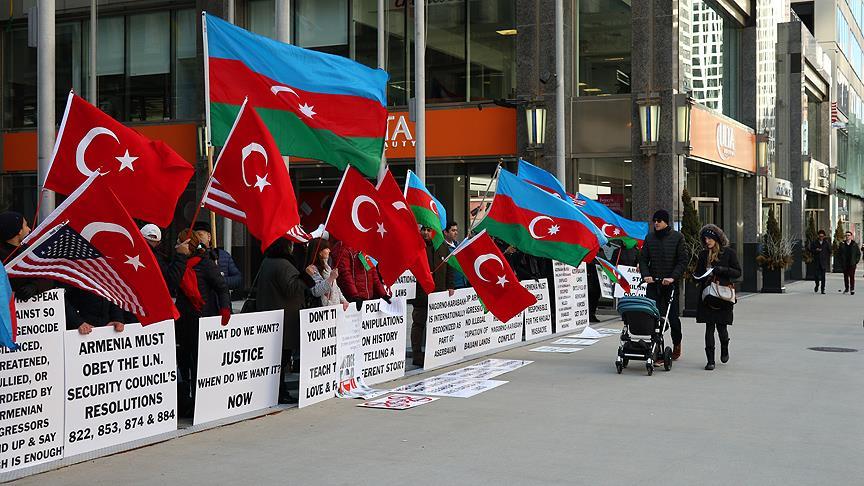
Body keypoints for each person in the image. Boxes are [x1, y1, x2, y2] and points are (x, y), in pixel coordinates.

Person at [174, 229, 231, 415]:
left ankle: (200, 404)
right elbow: (170, 282)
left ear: (188, 244)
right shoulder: (178, 262)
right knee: (183, 362)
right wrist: (180, 259)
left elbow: (222, 287)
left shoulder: (205, 264)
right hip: (182, 321)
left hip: (201, 319)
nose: (176, 245)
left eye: (179, 242)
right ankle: (185, 402)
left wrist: (225, 309)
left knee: (198, 364)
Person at [256, 237, 310, 404]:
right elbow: (291, 289)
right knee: (281, 358)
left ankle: (278, 390)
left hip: (273, 314)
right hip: (284, 318)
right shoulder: (283, 264)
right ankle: (279, 392)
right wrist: (306, 276)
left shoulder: (267, 261)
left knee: (276, 359)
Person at [638, 209, 687, 363]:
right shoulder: (650, 238)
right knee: (654, 318)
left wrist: (673, 277)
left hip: (670, 285)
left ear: (666, 221)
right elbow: (643, 259)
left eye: (659, 221)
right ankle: (657, 350)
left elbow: (682, 261)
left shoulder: (677, 238)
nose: (656, 223)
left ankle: (677, 342)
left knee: (672, 318)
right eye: (654, 221)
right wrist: (646, 275)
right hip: (654, 284)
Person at [694, 224, 741, 371]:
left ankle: (724, 347)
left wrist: (722, 270)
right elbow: (697, 272)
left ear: (717, 239)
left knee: (722, 327)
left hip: (723, 295)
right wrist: (699, 276)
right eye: (705, 238)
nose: (707, 241)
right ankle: (710, 361)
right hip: (708, 295)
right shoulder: (703, 254)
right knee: (709, 328)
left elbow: (738, 272)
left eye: (709, 238)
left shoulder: (729, 253)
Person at [410, 226, 455, 367]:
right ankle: (417, 356)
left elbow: (449, 266)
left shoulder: (442, 247)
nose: (425, 233)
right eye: (423, 230)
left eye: (429, 230)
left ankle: (434, 354)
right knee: (418, 325)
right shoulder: (415, 246)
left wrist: (450, 285)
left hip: (438, 295)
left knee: (436, 326)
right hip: (421, 295)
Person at [0, 211, 53, 300]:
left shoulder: (30, 251)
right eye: (25, 225)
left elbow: (48, 276)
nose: (29, 229)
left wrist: (34, 287)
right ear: (19, 231)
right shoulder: (3, 257)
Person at [193, 221, 242, 291]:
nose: (197, 239)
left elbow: (237, 279)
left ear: (209, 237)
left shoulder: (224, 255)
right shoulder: (190, 256)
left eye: (200, 235)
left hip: (220, 296)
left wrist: (221, 280)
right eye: (194, 236)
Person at [304, 238, 349, 309]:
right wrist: (331, 278)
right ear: (320, 252)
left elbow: (335, 286)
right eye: (327, 248)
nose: (329, 251)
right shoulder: (312, 269)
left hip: (335, 308)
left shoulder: (327, 267)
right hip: (323, 310)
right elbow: (316, 291)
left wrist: (343, 300)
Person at [443, 221, 469, 288]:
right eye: (453, 230)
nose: (456, 233)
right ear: (445, 232)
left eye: (456, 230)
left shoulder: (458, 245)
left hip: (464, 283)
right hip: (452, 286)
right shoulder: (442, 248)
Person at [839, 230, 861, 295]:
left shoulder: (854, 244)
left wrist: (856, 261)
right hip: (845, 263)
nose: (847, 236)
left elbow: (858, 254)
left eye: (848, 235)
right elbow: (839, 254)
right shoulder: (842, 244)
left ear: (851, 236)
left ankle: (852, 289)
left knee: (852, 276)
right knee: (845, 276)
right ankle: (846, 288)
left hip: (852, 263)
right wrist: (841, 261)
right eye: (846, 235)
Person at [810, 229, 830, 294]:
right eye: (820, 236)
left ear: (824, 236)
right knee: (816, 276)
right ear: (818, 236)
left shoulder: (826, 243)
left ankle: (822, 289)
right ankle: (817, 284)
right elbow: (811, 250)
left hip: (823, 262)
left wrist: (826, 258)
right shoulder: (814, 242)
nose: (821, 237)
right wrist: (816, 250)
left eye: (822, 236)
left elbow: (829, 251)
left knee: (823, 276)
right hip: (816, 261)